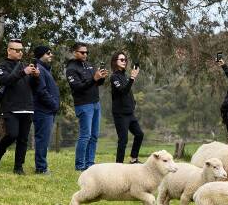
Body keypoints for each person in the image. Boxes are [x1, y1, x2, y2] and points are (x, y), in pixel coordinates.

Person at [0, 39, 39, 174]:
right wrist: (23, 72)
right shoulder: (0, 67)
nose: (20, 52)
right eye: (17, 50)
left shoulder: (25, 66)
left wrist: (36, 77)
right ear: (9, 50)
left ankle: (18, 167)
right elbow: (5, 80)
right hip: (10, 108)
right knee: (13, 134)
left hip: (27, 107)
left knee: (23, 139)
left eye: (21, 50)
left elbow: (34, 87)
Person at [66, 42, 107, 171]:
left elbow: (96, 83)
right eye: (82, 52)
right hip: (84, 105)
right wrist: (94, 79)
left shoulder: (89, 65)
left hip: (95, 103)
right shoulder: (71, 68)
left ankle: (90, 163)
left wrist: (101, 78)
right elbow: (77, 87)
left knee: (94, 135)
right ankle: (80, 165)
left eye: (86, 52)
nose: (85, 54)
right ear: (75, 52)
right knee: (85, 135)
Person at [110, 51, 144, 164]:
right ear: (115, 61)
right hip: (120, 114)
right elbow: (123, 91)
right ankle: (118, 165)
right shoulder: (114, 77)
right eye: (122, 60)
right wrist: (132, 77)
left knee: (139, 134)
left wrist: (133, 103)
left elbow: (128, 92)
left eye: (125, 60)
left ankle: (134, 159)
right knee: (123, 140)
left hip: (129, 113)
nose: (124, 62)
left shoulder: (123, 75)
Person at [32, 45, 60, 175]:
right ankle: (41, 168)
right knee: (42, 140)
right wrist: (54, 104)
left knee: (44, 139)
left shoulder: (45, 69)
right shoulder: (39, 69)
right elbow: (41, 91)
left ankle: (42, 166)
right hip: (43, 111)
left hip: (47, 110)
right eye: (48, 53)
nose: (51, 55)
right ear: (41, 55)